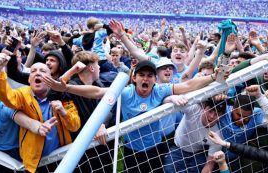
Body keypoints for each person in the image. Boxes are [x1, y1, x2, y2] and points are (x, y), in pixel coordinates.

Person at [42, 60, 228, 173]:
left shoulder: (160, 90)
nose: (145, 79)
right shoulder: (126, 92)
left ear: (155, 79)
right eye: (141, 75)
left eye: (149, 76)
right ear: (134, 78)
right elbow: (98, 91)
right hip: (131, 149)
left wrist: (213, 77)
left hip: (156, 147)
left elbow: (188, 86)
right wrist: (66, 88)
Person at [0, 53, 80, 173]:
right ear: (29, 79)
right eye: (33, 71)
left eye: (43, 71)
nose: (37, 73)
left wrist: (64, 113)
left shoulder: (62, 96)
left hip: (62, 158)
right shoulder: (22, 94)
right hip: (34, 164)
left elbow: (75, 126)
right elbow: (6, 96)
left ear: (51, 79)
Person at [164, 96, 226, 173]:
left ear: (221, 116)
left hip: (197, 154)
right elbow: (167, 101)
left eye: (217, 114)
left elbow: (210, 164)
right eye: (210, 111)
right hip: (177, 148)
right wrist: (173, 98)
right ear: (204, 107)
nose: (212, 116)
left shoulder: (217, 136)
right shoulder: (194, 109)